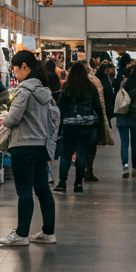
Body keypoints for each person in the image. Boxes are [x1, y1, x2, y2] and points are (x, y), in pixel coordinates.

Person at [0, 51, 59, 247]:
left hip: (23, 145)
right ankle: (48, 232)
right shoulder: (44, 91)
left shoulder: (23, 91)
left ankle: (21, 234)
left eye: (15, 69)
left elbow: (13, 118)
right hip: (40, 145)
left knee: (24, 191)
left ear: (25, 67)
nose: (14, 73)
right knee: (43, 190)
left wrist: (3, 120)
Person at [55, 63, 103, 194]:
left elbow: (60, 107)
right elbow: (97, 107)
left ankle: (62, 183)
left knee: (66, 155)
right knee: (82, 155)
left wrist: (60, 125)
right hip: (87, 125)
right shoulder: (90, 87)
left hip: (70, 125)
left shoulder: (67, 88)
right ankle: (78, 184)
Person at [115, 64, 136, 177]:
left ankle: (125, 168)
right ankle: (134, 169)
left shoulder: (122, 84)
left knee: (124, 144)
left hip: (122, 114)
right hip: (135, 116)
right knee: (134, 144)